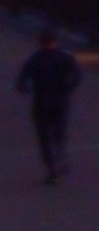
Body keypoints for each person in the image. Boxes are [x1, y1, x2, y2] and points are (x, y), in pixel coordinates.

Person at [17, 27, 80, 181]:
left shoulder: (35, 59)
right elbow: (77, 76)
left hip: (41, 101)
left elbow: (22, 81)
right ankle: (61, 155)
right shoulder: (65, 58)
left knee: (44, 137)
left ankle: (52, 169)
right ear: (56, 41)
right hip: (60, 101)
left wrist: (25, 88)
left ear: (40, 42)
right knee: (59, 132)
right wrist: (68, 90)